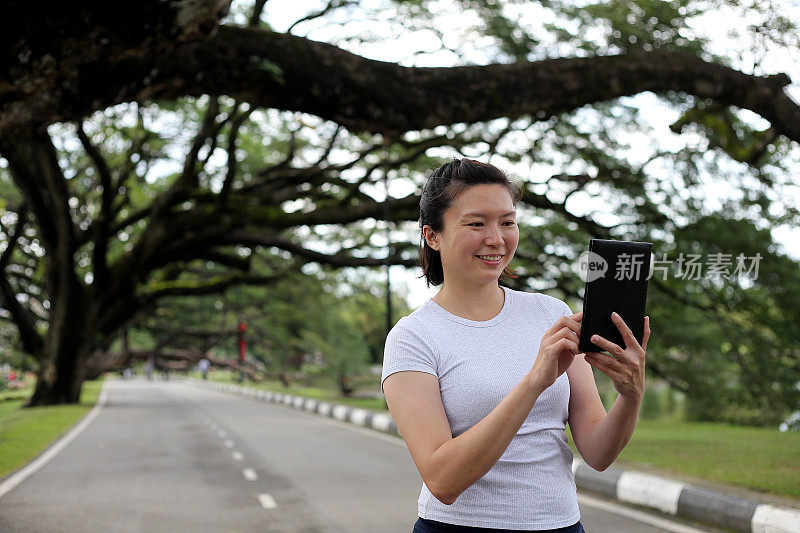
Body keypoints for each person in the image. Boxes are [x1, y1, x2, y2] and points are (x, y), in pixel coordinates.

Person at [381, 158, 651, 533]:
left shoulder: (550, 314)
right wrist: (534, 382)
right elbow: (443, 481)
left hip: (561, 526)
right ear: (433, 236)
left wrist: (630, 394)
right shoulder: (413, 337)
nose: (497, 238)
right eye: (477, 223)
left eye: (507, 222)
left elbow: (599, 453)